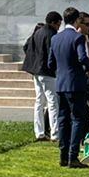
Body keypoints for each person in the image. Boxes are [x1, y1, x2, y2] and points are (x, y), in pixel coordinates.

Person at [51, 12, 89, 168]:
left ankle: (63, 155)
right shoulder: (78, 38)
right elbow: (82, 57)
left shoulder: (55, 38)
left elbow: (51, 62)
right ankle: (72, 156)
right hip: (75, 84)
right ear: (77, 20)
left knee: (63, 119)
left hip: (61, 84)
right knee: (78, 119)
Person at [21, 11, 62, 142]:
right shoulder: (51, 34)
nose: (59, 27)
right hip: (46, 72)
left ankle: (39, 132)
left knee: (39, 101)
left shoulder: (38, 31)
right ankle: (55, 133)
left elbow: (26, 46)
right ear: (54, 23)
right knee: (53, 102)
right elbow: (53, 54)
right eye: (58, 24)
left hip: (35, 71)